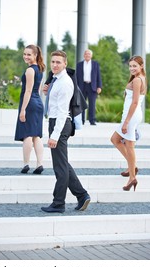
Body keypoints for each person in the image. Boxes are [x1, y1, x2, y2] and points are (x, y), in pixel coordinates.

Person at [41, 50, 90, 213]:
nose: (55, 65)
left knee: (60, 167)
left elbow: (62, 113)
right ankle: (82, 195)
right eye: (53, 62)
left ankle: (58, 203)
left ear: (65, 64)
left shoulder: (64, 83)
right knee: (63, 164)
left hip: (60, 125)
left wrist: (54, 135)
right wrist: (48, 92)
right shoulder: (56, 80)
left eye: (58, 62)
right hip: (56, 122)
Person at [110, 56, 147, 191]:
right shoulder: (139, 78)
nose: (132, 68)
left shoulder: (137, 80)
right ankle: (133, 167)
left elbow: (135, 102)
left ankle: (132, 177)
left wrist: (126, 122)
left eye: (135, 66)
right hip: (130, 116)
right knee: (115, 139)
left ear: (141, 66)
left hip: (131, 117)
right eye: (130, 66)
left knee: (130, 146)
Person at [14, 44, 45, 174]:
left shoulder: (30, 70)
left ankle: (26, 164)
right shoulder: (39, 69)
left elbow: (28, 91)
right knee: (36, 136)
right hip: (37, 102)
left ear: (35, 55)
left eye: (29, 54)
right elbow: (37, 90)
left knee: (27, 135)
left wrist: (23, 110)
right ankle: (39, 164)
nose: (26, 56)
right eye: (24, 54)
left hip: (30, 104)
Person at [76, 49, 102, 125]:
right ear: (84, 55)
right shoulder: (79, 64)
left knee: (92, 104)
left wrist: (99, 86)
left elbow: (98, 76)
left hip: (92, 86)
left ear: (91, 55)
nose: (87, 55)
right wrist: (76, 86)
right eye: (86, 54)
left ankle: (92, 120)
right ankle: (82, 120)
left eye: (89, 54)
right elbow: (76, 76)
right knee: (81, 104)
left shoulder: (95, 64)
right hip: (82, 86)